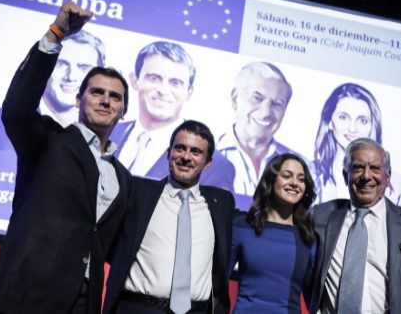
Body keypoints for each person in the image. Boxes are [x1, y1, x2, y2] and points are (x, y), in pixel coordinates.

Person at [0, 2, 131, 314]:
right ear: (78, 99)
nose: (105, 100)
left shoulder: (123, 177)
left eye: (115, 96)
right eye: (97, 92)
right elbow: (17, 108)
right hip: (25, 298)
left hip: (82, 303)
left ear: (124, 110)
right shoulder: (49, 141)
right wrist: (56, 34)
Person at [103, 120, 235, 314]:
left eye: (196, 152)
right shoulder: (139, 192)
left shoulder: (221, 203)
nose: (186, 157)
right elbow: (109, 242)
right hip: (137, 308)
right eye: (180, 148)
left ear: (208, 163)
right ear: (168, 153)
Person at [308, 137, 401, 314]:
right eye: (358, 167)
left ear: (387, 177)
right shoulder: (321, 216)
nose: (366, 176)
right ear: (345, 176)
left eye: (375, 168)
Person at [109, 41, 235, 191]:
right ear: (135, 81)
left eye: (175, 83)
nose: (163, 90)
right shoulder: (106, 133)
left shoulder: (215, 165)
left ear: (189, 92)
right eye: (154, 78)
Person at [0, 29, 106, 150]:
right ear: (46, 67)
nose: (71, 76)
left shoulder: (110, 135)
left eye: (84, 68)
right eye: (61, 64)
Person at [229, 153, 316, 313]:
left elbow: (313, 296)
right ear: (271, 180)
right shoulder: (243, 227)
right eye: (287, 176)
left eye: (301, 179)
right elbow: (219, 283)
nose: (295, 183)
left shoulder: (308, 237)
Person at [312, 82, 401, 207]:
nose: (352, 128)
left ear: (373, 126)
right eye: (343, 117)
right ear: (329, 122)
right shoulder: (310, 175)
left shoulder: (397, 185)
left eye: (362, 120)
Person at [217, 61, 307, 199]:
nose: (265, 112)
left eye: (277, 104)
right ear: (235, 99)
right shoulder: (205, 156)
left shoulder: (304, 168)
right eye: (257, 98)